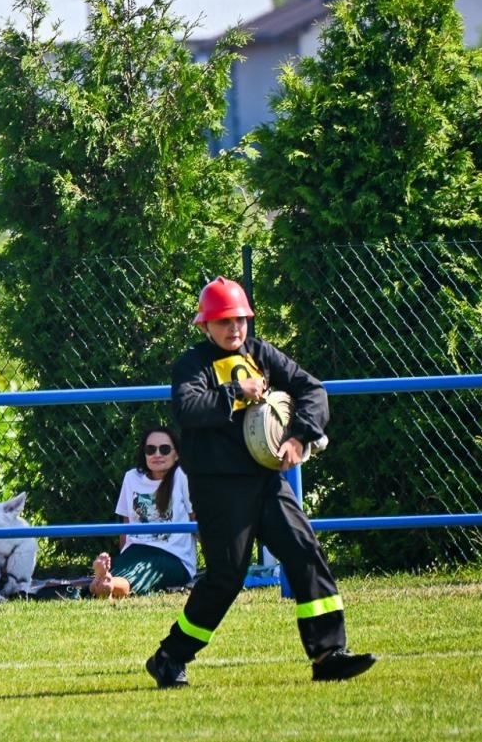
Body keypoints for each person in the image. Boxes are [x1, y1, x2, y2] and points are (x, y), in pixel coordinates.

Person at [145, 277, 376, 688]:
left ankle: (328, 654)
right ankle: (169, 657)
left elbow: (312, 389)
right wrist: (237, 391)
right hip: (219, 489)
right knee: (226, 577)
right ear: (204, 326)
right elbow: (188, 409)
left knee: (304, 550)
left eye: (240, 320)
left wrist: (299, 435)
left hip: (268, 482)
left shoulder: (262, 353)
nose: (234, 329)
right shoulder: (192, 364)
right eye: (223, 322)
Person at [92, 425, 196, 599]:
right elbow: (126, 526)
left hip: (171, 556)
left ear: (176, 454)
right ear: (144, 453)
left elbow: (196, 520)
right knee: (122, 567)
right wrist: (124, 554)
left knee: (142, 573)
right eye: (150, 449)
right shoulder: (131, 478)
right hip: (136, 550)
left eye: (164, 449)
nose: (157, 454)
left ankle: (107, 584)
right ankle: (102, 582)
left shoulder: (182, 476)